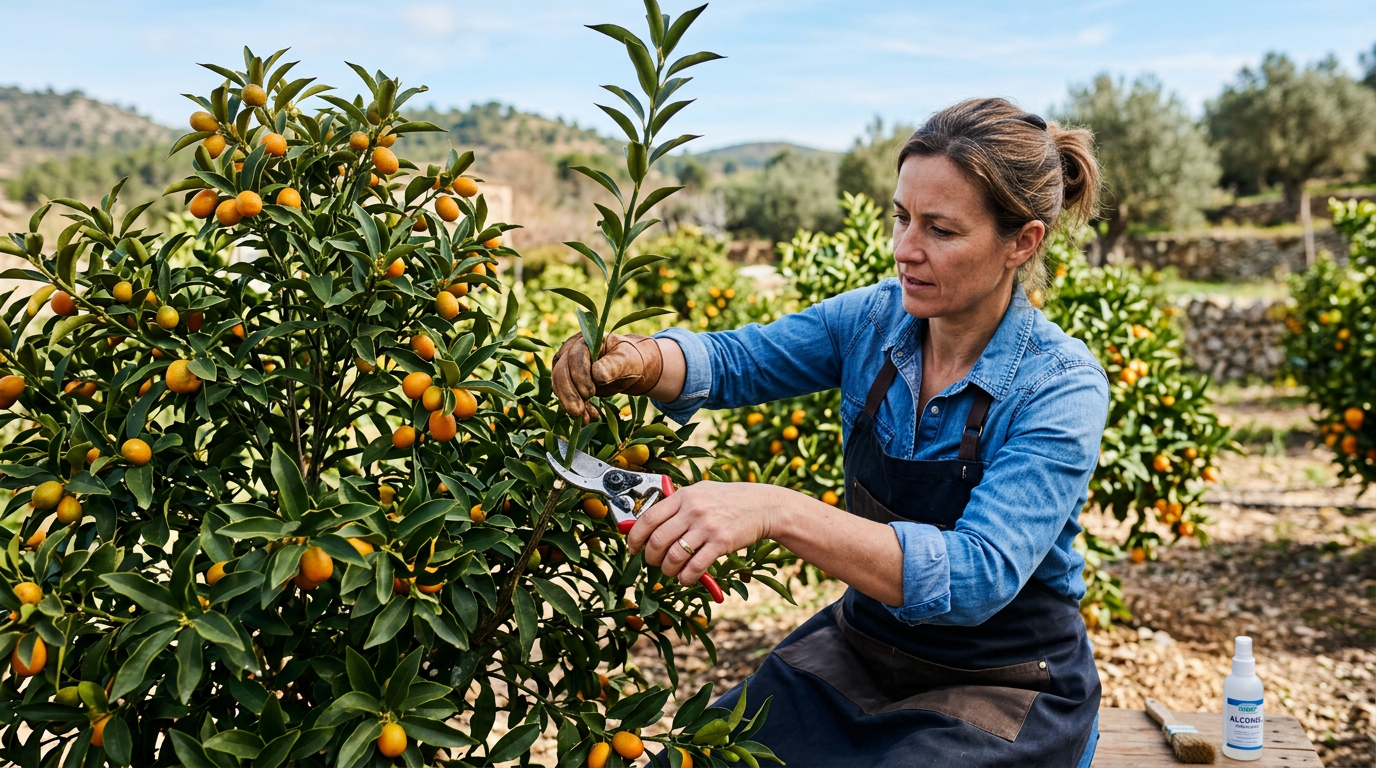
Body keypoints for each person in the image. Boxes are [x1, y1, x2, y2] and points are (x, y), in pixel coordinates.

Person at [552, 97, 1108, 768]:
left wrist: (774, 510)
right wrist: (640, 360)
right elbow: (737, 361)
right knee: (699, 757)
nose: (906, 250)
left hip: (1004, 685)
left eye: (941, 230)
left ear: (1023, 241)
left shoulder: (1059, 385)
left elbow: (976, 574)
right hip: (863, 650)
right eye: (902, 218)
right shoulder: (872, 321)